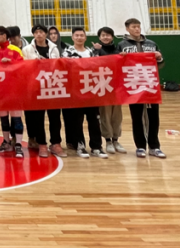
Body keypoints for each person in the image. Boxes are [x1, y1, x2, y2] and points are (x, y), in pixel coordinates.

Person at [117, 18, 165, 158]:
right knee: (137, 117)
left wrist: (159, 58)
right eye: (134, 27)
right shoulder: (122, 45)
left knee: (153, 117)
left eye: (138, 26)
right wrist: (120, 58)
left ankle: (154, 146)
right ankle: (140, 146)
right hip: (133, 86)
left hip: (150, 85)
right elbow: (117, 66)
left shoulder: (151, 44)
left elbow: (160, 65)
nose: (137, 29)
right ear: (127, 29)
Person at [62, 27, 108, 159]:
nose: (79, 37)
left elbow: (99, 67)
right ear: (72, 37)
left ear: (85, 37)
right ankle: (80, 146)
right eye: (76, 35)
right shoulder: (67, 52)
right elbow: (65, 69)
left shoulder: (92, 52)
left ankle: (96, 147)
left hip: (91, 91)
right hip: (75, 92)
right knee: (77, 121)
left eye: (81, 35)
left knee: (94, 120)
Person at [21, 25, 65, 158]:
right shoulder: (27, 49)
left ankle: (56, 143)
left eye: (41, 32)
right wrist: (34, 64)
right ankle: (42, 144)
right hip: (36, 87)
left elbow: (59, 66)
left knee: (55, 117)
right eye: (36, 32)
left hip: (52, 86)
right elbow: (23, 68)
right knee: (38, 118)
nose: (39, 34)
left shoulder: (54, 48)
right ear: (33, 35)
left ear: (46, 34)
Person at [0, 26, 25, 159]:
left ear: (4, 36)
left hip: (15, 90)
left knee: (16, 117)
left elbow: (23, 67)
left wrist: (11, 62)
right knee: (3, 117)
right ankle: (6, 141)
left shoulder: (15, 50)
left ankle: (18, 144)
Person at [93, 27, 126, 155]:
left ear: (112, 37)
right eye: (103, 35)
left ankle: (116, 140)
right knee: (105, 114)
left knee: (117, 115)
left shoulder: (118, 50)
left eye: (108, 35)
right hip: (102, 86)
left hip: (117, 87)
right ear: (99, 37)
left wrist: (123, 57)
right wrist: (97, 51)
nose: (105, 37)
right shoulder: (95, 50)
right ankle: (108, 141)